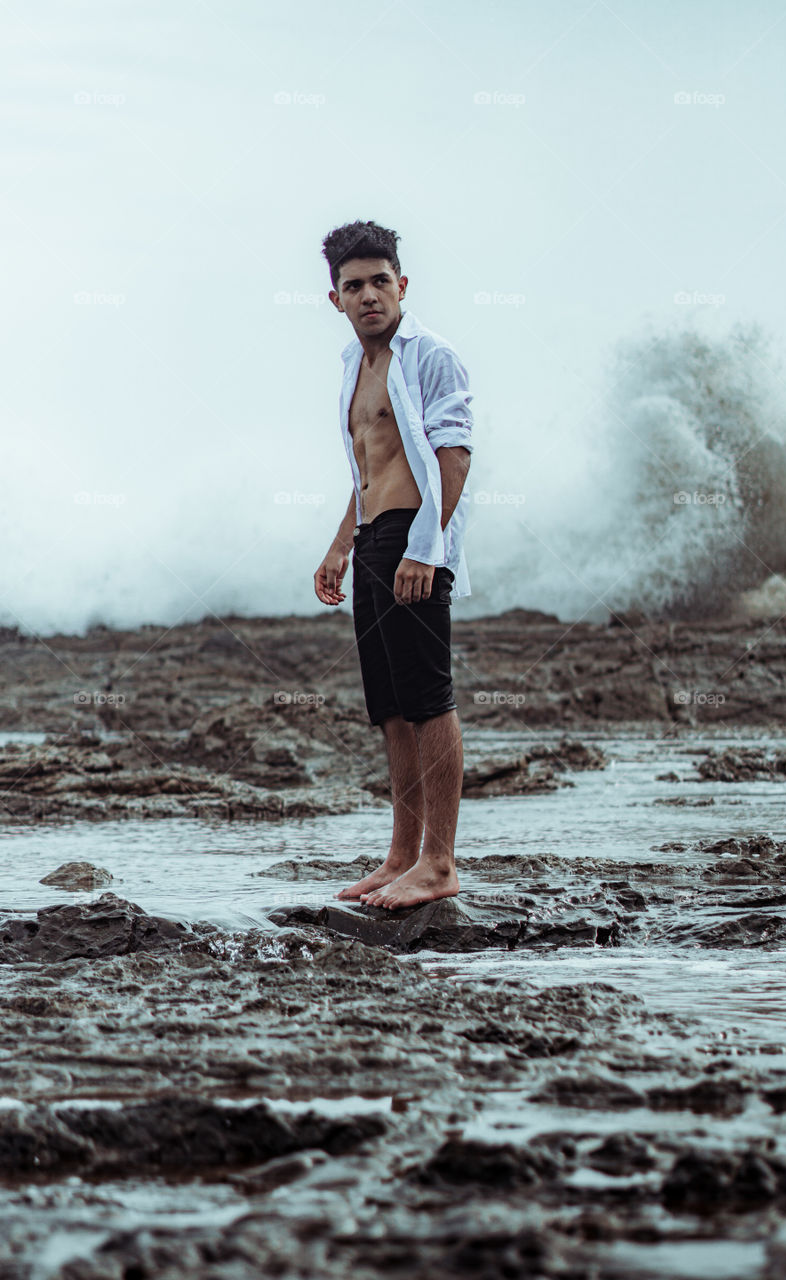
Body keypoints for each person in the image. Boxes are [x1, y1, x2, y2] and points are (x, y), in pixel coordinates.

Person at [314, 219, 474, 911]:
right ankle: (401, 855)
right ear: (336, 300)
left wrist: (425, 547)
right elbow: (366, 469)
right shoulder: (353, 366)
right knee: (390, 708)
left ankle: (439, 863)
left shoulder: (430, 355)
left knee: (427, 698)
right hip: (377, 538)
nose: (369, 294)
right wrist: (339, 544)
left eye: (381, 281)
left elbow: (453, 457)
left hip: (415, 538)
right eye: (354, 285)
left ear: (402, 285)